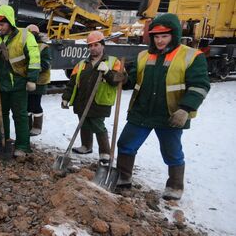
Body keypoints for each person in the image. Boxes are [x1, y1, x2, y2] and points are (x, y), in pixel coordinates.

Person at [115, 13, 210, 200]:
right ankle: (123, 178)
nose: (159, 41)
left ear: (174, 35)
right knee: (125, 144)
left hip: (171, 114)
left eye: (164, 36)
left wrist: (185, 108)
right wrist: (122, 79)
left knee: (171, 151)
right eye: (156, 36)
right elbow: (132, 79)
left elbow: (200, 85)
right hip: (141, 111)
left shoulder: (191, 56)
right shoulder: (144, 55)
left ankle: (175, 186)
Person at [0, 5, 41, 157]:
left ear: (9, 22)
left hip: (18, 83)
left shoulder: (24, 35)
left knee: (20, 114)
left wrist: (32, 79)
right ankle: (2, 140)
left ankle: (23, 145)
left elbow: (34, 58)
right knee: (0, 112)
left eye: (1, 24)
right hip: (0, 83)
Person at [61, 31, 125, 166]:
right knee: (83, 122)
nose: (93, 48)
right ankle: (86, 146)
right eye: (90, 46)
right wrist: (66, 97)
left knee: (97, 125)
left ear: (102, 45)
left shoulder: (113, 62)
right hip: (82, 100)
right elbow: (72, 83)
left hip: (100, 101)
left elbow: (120, 80)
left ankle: (105, 152)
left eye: (96, 45)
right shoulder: (81, 64)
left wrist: (107, 72)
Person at [26, 24, 51, 136]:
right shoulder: (26, 45)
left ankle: (37, 127)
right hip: (28, 80)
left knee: (35, 104)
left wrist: (33, 70)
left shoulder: (43, 47)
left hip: (39, 82)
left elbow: (46, 64)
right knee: (27, 105)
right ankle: (27, 127)